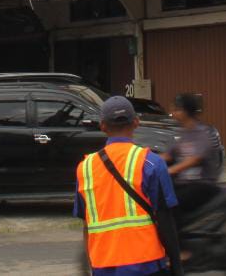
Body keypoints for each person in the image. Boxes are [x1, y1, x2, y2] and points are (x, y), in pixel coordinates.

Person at [75, 95, 182, 276]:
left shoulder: (84, 168)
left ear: (102, 126)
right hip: (146, 264)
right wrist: (177, 267)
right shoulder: (151, 163)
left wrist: (93, 267)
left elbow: (86, 224)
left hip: (103, 264)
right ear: (136, 122)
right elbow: (165, 220)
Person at [163, 93, 223, 220]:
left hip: (202, 184)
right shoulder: (184, 133)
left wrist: (171, 170)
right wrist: (145, 160)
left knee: (172, 203)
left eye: (175, 110)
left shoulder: (202, 132)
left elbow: (195, 159)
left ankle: (175, 238)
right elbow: (168, 155)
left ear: (185, 111)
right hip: (186, 183)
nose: (172, 113)